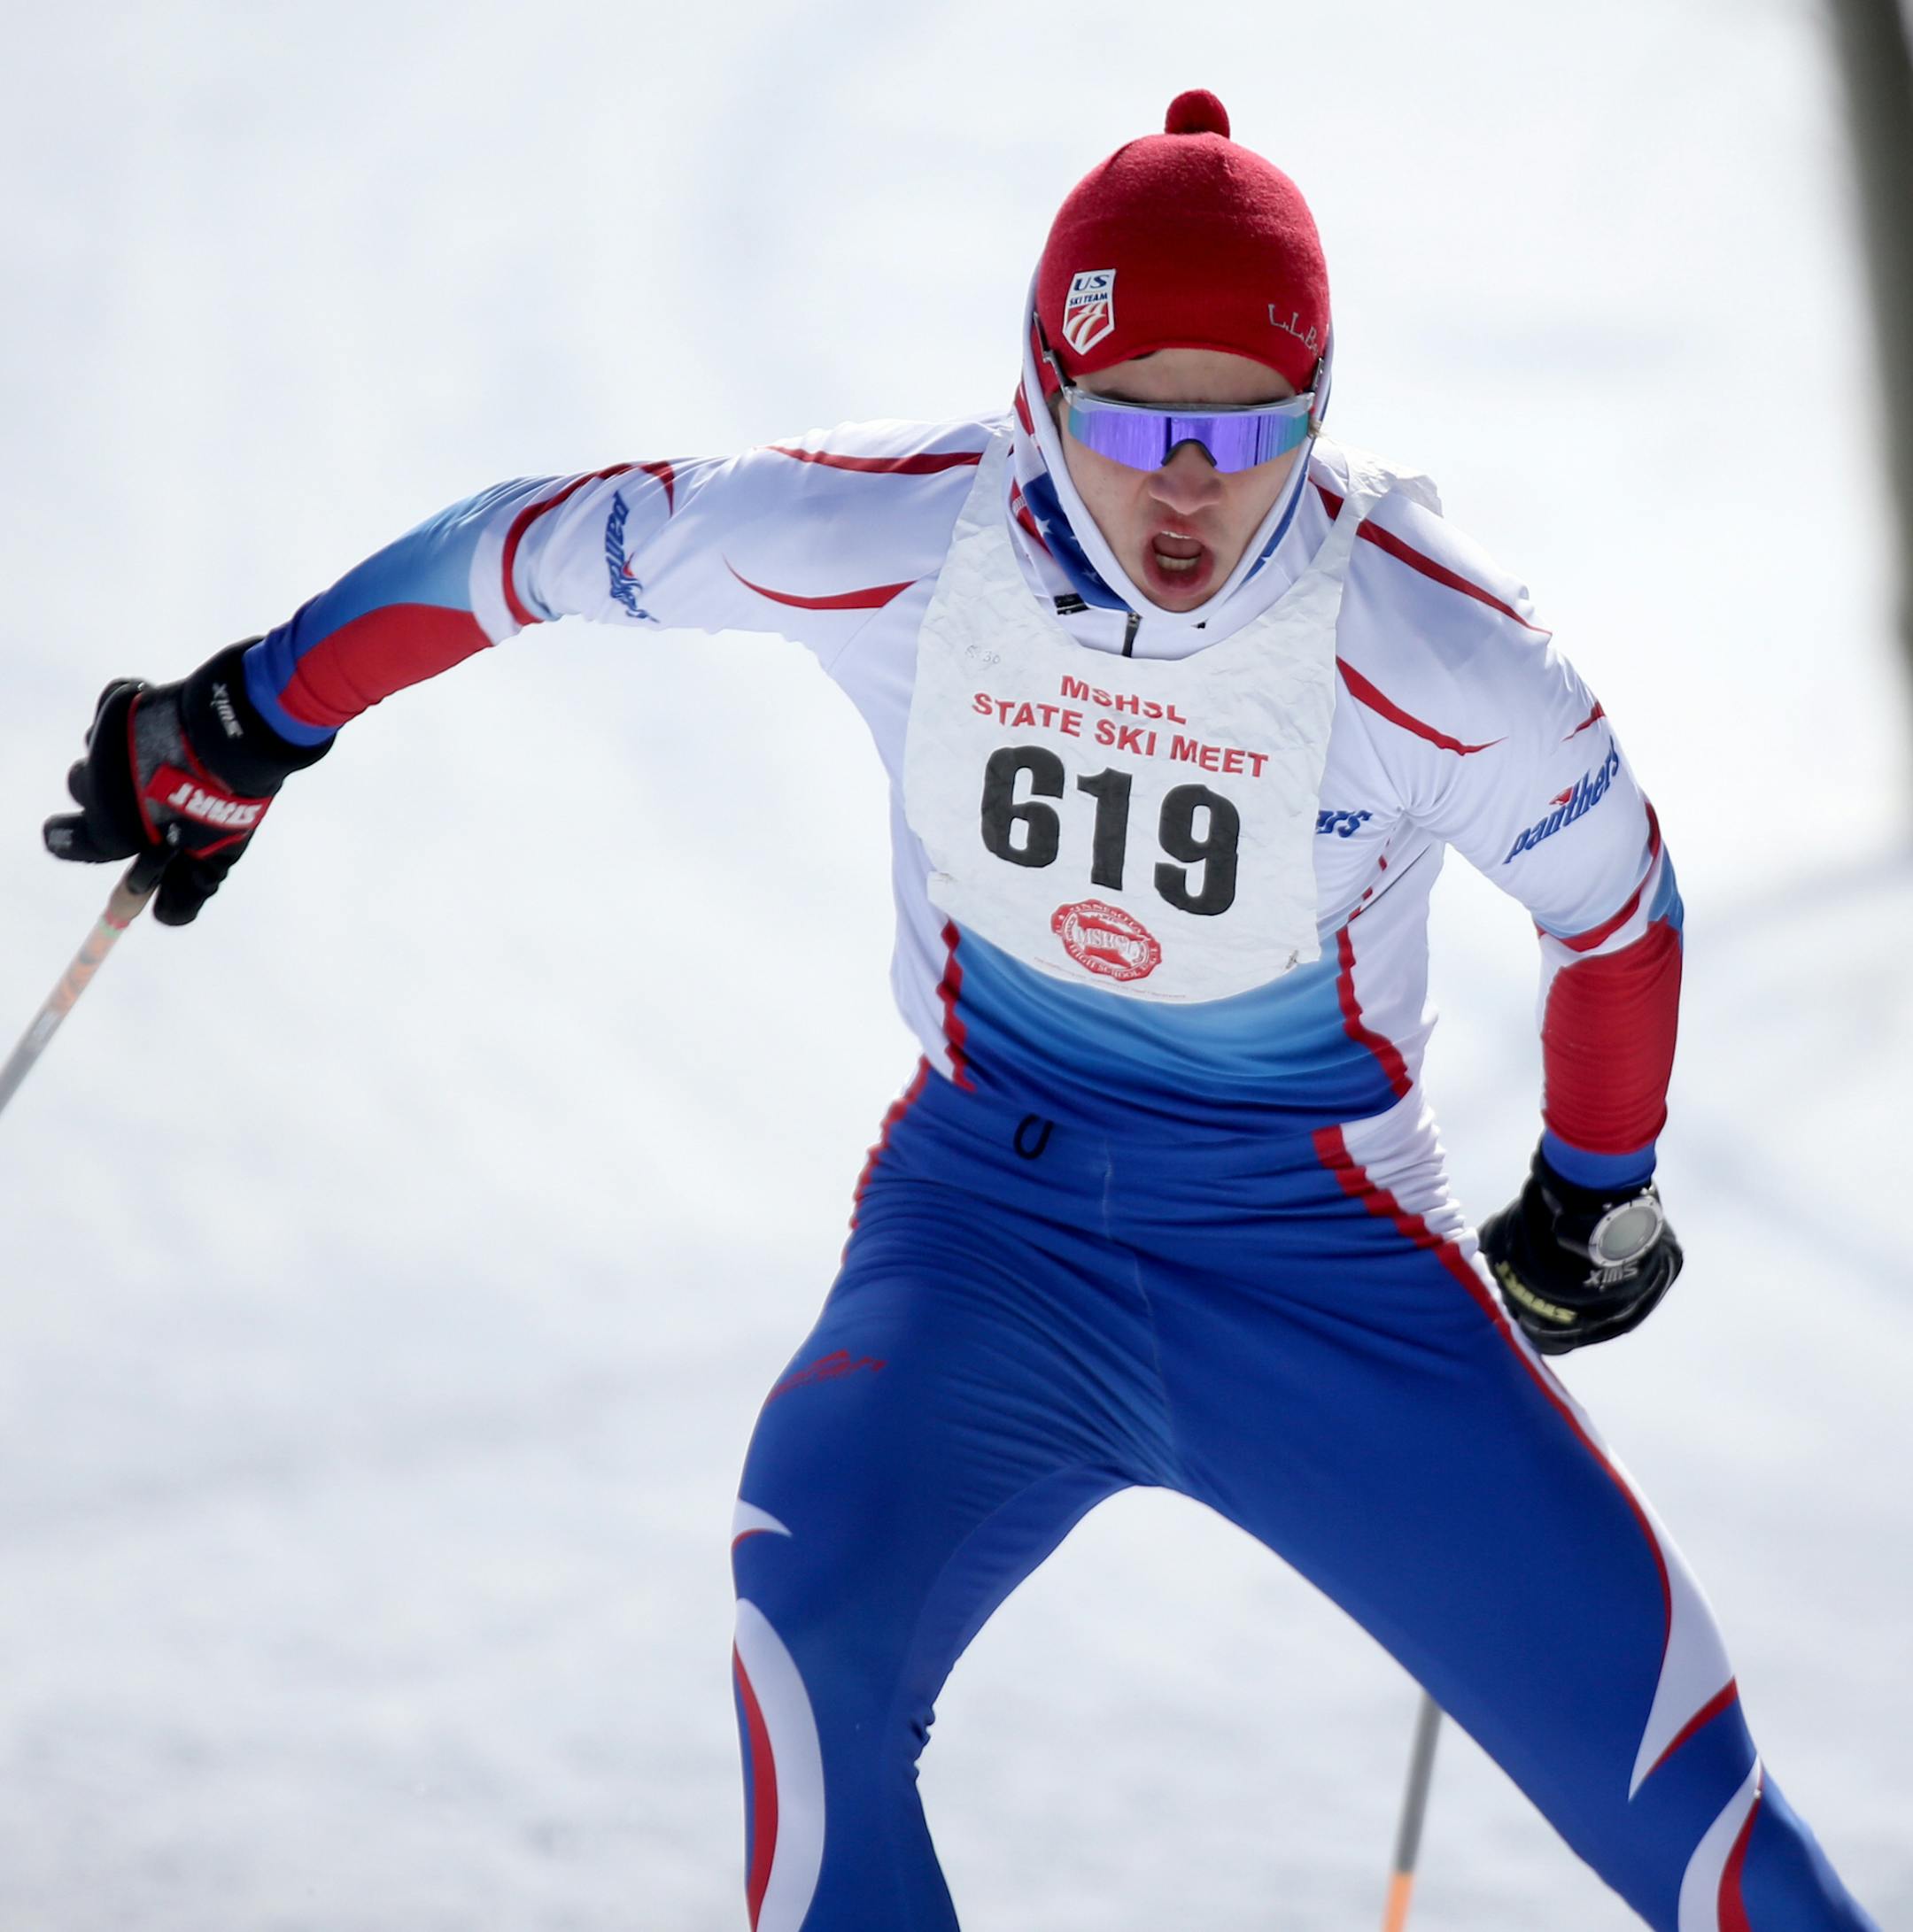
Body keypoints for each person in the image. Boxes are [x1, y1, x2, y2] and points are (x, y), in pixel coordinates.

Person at [42, 89, 1878, 1932]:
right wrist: (249, 713)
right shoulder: (899, 535)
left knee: (1709, 1835)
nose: (1187, 486)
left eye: (1246, 429)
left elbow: (1617, 908)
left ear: (1317, 420)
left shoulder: (1436, 646)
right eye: (1132, 421)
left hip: (1329, 1270)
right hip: (987, 1234)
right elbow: (518, 548)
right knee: (804, 1622)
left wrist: (1597, 1183)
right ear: (1037, 392)